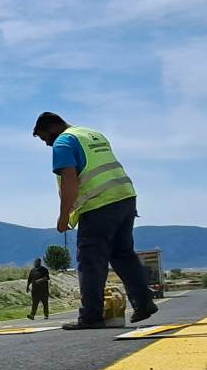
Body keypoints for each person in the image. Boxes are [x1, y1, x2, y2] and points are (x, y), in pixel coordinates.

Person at [32, 111, 158, 330]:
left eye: (44, 138)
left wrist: (64, 216)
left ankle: (91, 316)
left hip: (99, 204)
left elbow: (69, 180)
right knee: (123, 254)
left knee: (91, 261)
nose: (47, 144)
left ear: (52, 128)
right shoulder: (92, 134)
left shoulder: (63, 142)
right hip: (125, 197)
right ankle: (144, 302)